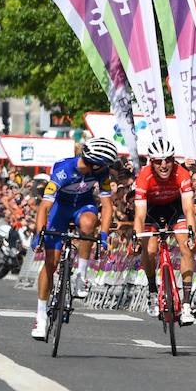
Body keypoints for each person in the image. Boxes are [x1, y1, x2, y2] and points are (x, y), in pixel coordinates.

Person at [30, 137, 118, 340]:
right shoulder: (63, 170)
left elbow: (107, 206)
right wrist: (40, 234)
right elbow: (45, 206)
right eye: (102, 165)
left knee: (88, 224)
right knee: (50, 263)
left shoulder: (101, 172)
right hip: (60, 210)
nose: (105, 168)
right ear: (93, 162)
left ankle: (81, 275)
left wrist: (103, 234)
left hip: (83, 206)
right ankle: (41, 316)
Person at [133, 138, 196, 325]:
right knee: (150, 250)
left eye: (168, 160)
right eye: (158, 161)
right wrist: (137, 237)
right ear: (151, 161)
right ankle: (153, 290)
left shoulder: (182, 173)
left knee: (186, 247)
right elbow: (139, 214)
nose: (163, 165)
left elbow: (188, 208)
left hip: (174, 209)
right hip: (151, 212)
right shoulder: (144, 177)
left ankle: (186, 305)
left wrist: (192, 232)